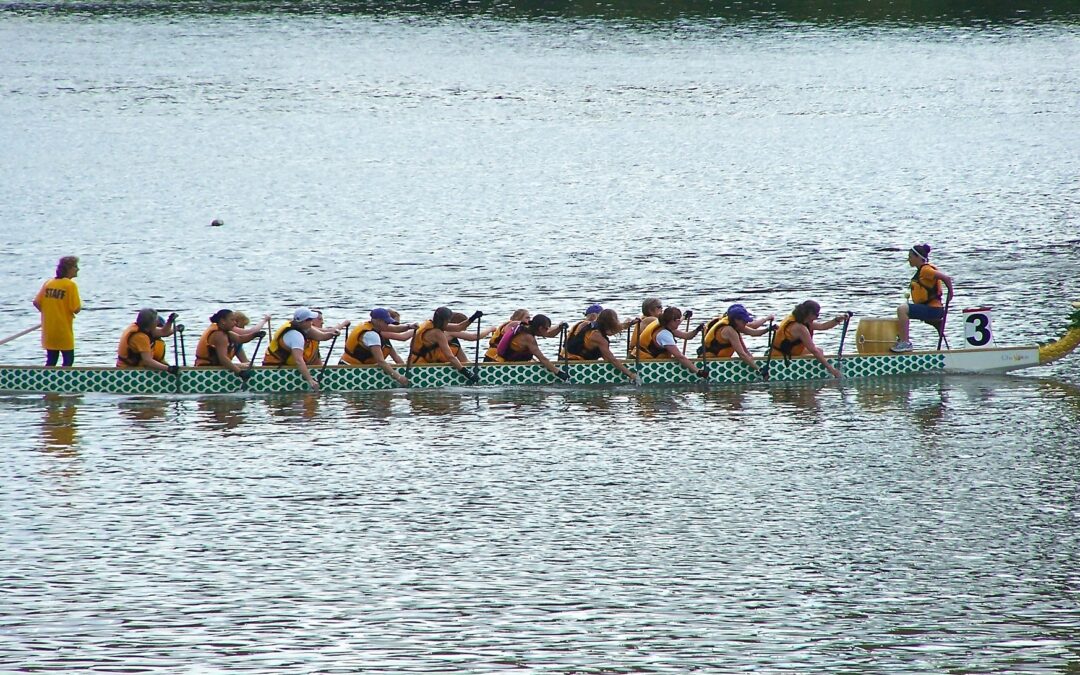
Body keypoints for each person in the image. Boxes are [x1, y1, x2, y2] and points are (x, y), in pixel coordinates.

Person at [262, 307, 348, 392]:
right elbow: (299, 360)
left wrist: (332, 334)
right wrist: (310, 380)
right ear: (304, 322)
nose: (312, 322)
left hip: (286, 366)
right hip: (275, 369)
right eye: (310, 319)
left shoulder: (302, 327)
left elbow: (322, 336)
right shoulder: (295, 335)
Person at [892, 243, 954, 352]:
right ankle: (902, 341)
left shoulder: (925, 270)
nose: (908, 259)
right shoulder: (922, 270)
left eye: (910, 257)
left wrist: (951, 294)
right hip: (931, 309)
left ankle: (905, 343)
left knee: (902, 309)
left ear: (918, 258)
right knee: (903, 310)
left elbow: (946, 278)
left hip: (933, 310)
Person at [340, 308, 415, 387]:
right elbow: (381, 362)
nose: (388, 324)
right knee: (386, 364)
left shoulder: (373, 326)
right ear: (378, 321)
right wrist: (399, 378)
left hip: (357, 368)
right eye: (386, 322)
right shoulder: (371, 335)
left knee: (389, 365)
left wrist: (409, 326)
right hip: (350, 371)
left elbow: (395, 329)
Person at [770, 300, 846, 378]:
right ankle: (814, 374)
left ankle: (818, 370)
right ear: (809, 313)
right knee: (818, 351)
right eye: (816, 314)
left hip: (783, 350)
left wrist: (837, 320)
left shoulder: (799, 319)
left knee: (820, 351)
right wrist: (832, 370)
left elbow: (822, 326)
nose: (817, 317)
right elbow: (813, 350)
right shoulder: (799, 327)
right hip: (780, 355)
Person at [561, 308, 639, 383]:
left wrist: (630, 323)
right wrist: (631, 375)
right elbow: (612, 360)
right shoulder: (598, 337)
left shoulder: (586, 324)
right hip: (575, 366)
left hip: (563, 359)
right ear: (610, 324)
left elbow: (612, 330)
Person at [408, 307, 485, 381]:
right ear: (443, 321)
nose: (449, 323)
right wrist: (467, 373)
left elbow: (459, 327)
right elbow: (450, 357)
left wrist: (473, 318)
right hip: (419, 367)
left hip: (413, 362)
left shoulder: (431, 323)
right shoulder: (437, 333)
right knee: (454, 344)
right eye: (448, 321)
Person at [33, 256, 81, 367]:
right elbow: (76, 309)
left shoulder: (49, 283)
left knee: (51, 360)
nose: (77, 269)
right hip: (63, 329)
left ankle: (46, 381)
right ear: (68, 269)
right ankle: (65, 382)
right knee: (68, 360)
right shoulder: (70, 285)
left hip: (49, 329)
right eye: (75, 266)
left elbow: (36, 303)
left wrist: (49, 313)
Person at [636, 306, 709, 378]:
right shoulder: (664, 335)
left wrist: (697, 330)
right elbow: (680, 357)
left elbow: (687, 336)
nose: (679, 322)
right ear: (672, 321)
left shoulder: (665, 326)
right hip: (645, 363)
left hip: (640, 357)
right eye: (678, 321)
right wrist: (698, 371)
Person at [701, 304, 774, 375]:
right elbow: (742, 355)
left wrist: (768, 329)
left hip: (718, 361)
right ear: (736, 320)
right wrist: (759, 369)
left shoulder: (734, 324)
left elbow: (754, 333)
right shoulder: (729, 331)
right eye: (744, 321)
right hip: (711, 363)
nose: (746, 322)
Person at [491, 314, 569, 380]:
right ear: (540, 328)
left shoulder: (526, 327)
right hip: (507, 366)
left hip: (504, 359)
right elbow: (542, 359)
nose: (547, 330)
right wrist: (560, 373)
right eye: (546, 328)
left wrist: (559, 327)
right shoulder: (528, 338)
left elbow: (549, 334)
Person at [193, 309, 257, 378]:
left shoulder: (224, 331)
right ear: (223, 321)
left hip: (215, 367)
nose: (235, 323)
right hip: (207, 372)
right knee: (246, 365)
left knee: (247, 365)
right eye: (232, 320)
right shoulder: (219, 335)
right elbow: (223, 359)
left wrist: (255, 335)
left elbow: (240, 339)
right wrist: (240, 372)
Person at [116, 308, 178, 372]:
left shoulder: (144, 328)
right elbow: (147, 361)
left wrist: (170, 322)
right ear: (152, 323)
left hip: (137, 367)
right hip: (127, 370)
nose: (158, 322)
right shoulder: (140, 337)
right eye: (156, 320)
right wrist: (168, 369)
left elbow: (164, 332)